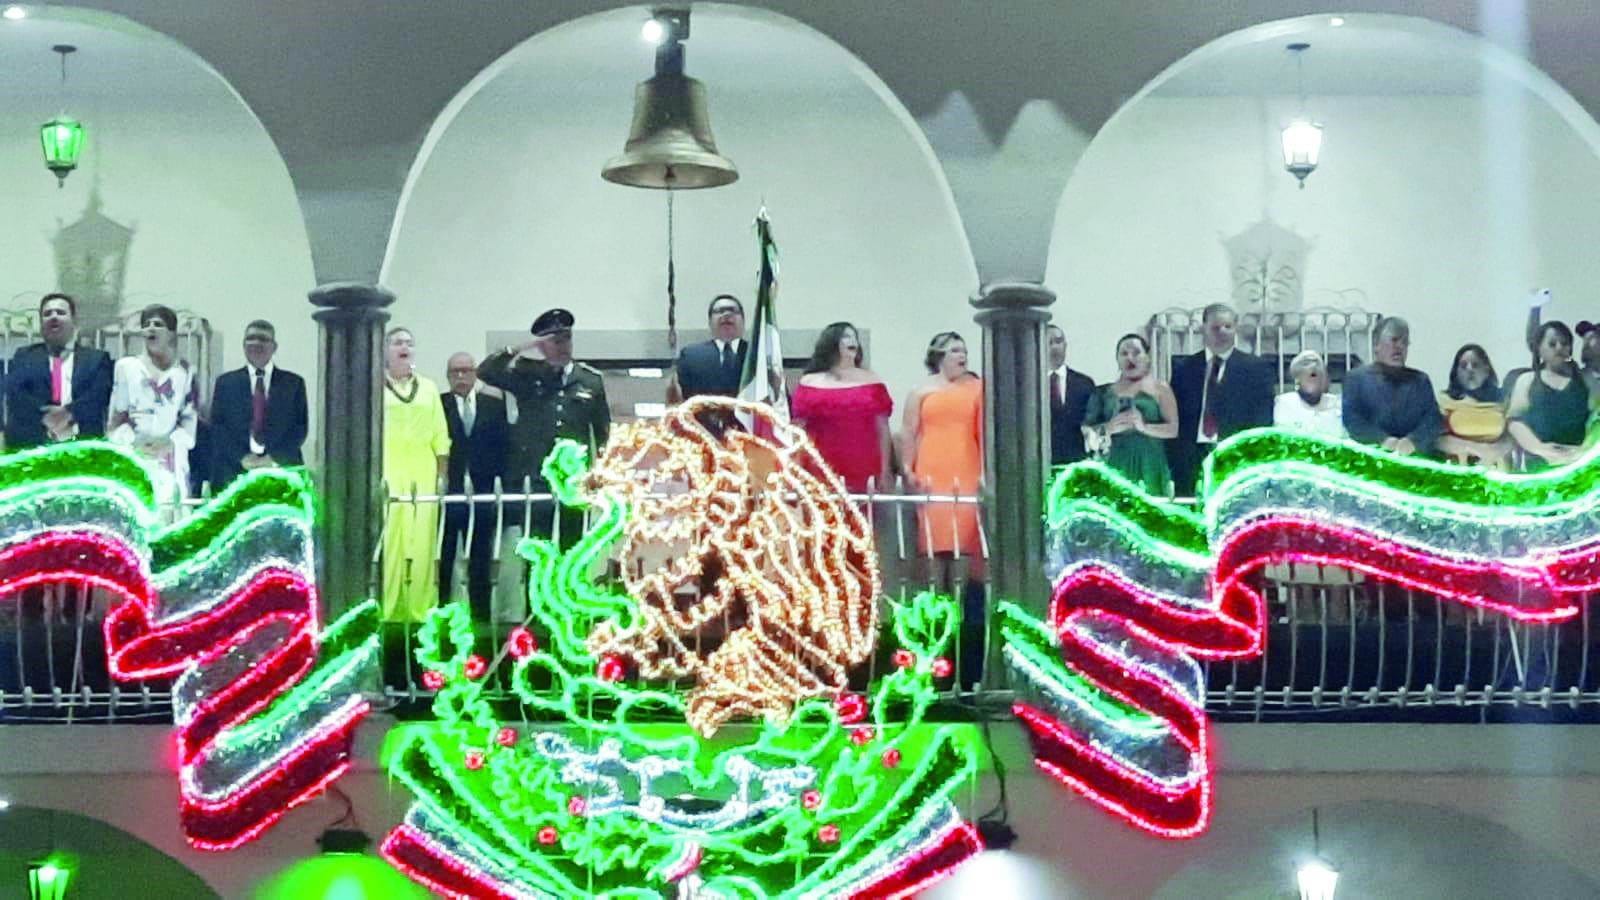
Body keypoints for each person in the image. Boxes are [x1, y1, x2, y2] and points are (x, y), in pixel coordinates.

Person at [478, 307, 611, 548]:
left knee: (573, 548)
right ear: (541, 345)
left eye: (566, 339)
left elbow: (602, 433)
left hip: (573, 479)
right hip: (535, 477)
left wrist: (599, 473)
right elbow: (486, 371)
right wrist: (519, 348)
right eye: (554, 341)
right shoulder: (527, 375)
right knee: (537, 549)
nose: (562, 346)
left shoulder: (590, 379)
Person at [902, 331, 985, 687]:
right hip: (932, 473)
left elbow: (985, 433)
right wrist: (908, 470)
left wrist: (985, 474)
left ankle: (965, 664)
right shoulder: (921, 391)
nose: (961, 356)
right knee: (933, 564)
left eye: (963, 350)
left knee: (964, 558)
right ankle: (934, 660)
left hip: (966, 472)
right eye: (954, 350)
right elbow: (909, 432)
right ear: (938, 355)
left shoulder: (978, 389)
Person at [381, 327, 451, 624]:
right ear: (385, 350)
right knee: (391, 538)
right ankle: (388, 607)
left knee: (421, 540)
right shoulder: (374, 388)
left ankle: (419, 608)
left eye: (409, 343)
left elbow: (440, 434)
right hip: (389, 469)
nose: (404, 347)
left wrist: (442, 474)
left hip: (423, 471)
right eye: (398, 342)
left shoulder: (429, 388)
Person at [1169, 303, 1274, 497]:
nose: (1222, 332)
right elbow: (1174, 414)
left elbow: (1262, 418)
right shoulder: (1184, 368)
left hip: (1235, 454)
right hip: (1191, 456)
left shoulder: (1256, 368)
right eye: (1216, 327)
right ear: (1204, 328)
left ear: (1236, 329)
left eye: (1228, 327)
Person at [438, 352, 509, 623]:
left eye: (466, 371)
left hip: (483, 491)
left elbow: (503, 447)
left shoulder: (493, 406)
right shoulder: (439, 404)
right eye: (455, 372)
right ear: (448, 376)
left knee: (481, 555)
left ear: (475, 373)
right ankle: (443, 613)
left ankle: (481, 617)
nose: (461, 377)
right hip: (450, 491)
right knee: (445, 554)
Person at [108, 305, 198, 516]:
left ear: (171, 334)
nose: (151, 328)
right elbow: (116, 419)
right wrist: (134, 443)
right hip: (135, 455)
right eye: (146, 325)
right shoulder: (126, 367)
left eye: (158, 324)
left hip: (171, 459)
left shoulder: (185, 371)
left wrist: (169, 443)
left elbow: (188, 420)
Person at [790, 322, 893, 492]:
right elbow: (798, 429)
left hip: (863, 462)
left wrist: (885, 470)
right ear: (831, 343)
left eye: (854, 337)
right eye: (846, 336)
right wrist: (796, 464)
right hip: (819, 462)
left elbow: (882, 429)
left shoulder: (872, 381)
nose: (853, 341)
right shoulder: (809, 381)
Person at [208, 319, 308, 490]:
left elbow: (299, 428)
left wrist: (273, 458)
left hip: (280, 471)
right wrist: (242, 457)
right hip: (233, 471)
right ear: (243, 345)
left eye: (263, 339)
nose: (256, 343)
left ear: (274, 347)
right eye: (251, 338)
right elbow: (218, 427)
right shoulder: (226, 383)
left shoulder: (293, 383)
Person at [4, 292, 113, 450]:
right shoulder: (24, 356)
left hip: (82, 443)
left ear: (74, 321)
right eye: (47, 314)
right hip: (33, 444)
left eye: (61, 313)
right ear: (41, 323)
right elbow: (16, 395)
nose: (54, 317)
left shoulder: (96, 359)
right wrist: (48, 418)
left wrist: (68, 413)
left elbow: (99, 396)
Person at [1083, 334, 1179, 496]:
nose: (1130, 358)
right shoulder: (1103, 392)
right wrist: (1109, 428)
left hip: (1150, 462)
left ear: (1147, 357)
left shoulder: (1161, 389)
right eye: (1124, 353)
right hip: (1115, 460)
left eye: (1136, 352)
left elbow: (1173, 429)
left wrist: (1144, 427)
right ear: (1117, 360)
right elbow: (1087, 431)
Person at [1341, 316, 1442, 456]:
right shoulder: (1356, 379)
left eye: (1404, 342)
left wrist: (1413, 441)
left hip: (1414, 455)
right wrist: (1382, 440)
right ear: (1376, 345)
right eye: (1394, 340)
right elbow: (1352, 419)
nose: (1400, 347)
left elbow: (1433, 419)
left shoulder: (1420, 381)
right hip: (1371, 455)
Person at [1507, 321, 1591, 469]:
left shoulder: (1586, 380)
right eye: (1552, 344)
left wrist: (1585, 450)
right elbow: (1515, 422)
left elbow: (1597, 419)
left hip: (1581, 461)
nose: (1559, 348)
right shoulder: (1527, 380)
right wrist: (1540, 449)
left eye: (1564, 343)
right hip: (1540, 463)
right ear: (1539, 349)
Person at [1436, 343, 1510, 467]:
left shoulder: (1504, 399)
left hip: (1498, 469)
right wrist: (1477, 449)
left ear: (1486, 370)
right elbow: (1436, 439)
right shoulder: (1445, 400)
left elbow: (1513, 435)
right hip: (1458, 469)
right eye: (1463, 366)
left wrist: (1496, 450)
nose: (1470, 370)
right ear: (1456, 373)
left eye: (1475, 365)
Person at [667, 295, 747, 402]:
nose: (726, 315)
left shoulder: (757, 355)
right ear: (710, 322)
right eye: (720, 311)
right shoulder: (691, 356)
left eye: (732, 310)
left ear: (743, 321)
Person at [1045, 324, 1095, 467]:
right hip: (1041, 462)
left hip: (1076, 462)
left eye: (1058, 341)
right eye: (1048, 343)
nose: (1054, 347)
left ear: (1065, 346)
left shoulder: (1084, 383)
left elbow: (1093, 423)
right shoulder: (1030, 385)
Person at [1272, 349, 1345, 441]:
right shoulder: (1284, 403)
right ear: (1297, 379)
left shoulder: (1337, 404)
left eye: (1317, 376)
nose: (1313, 381)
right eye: (1309, 376)